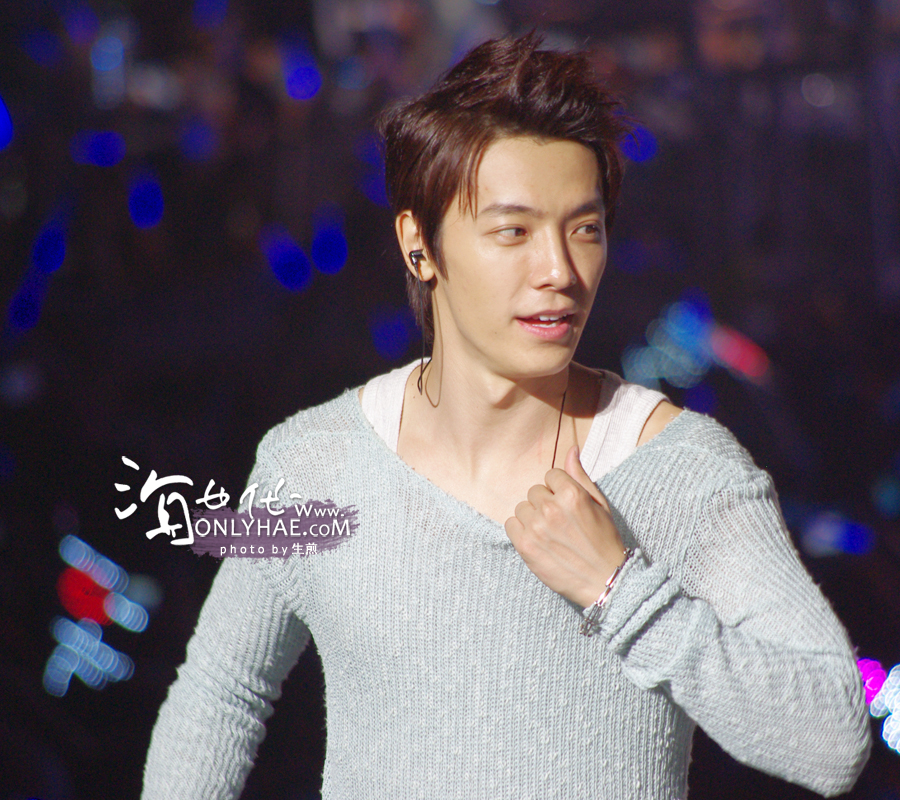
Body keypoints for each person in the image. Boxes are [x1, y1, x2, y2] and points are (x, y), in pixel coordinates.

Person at [141, 33, 871, 799]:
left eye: (584, 228)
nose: (559, 270)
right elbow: (220, 695)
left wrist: (621, 591)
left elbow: (833, 742)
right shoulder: (313, 464)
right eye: (513, 231)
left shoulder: (681, 470)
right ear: (420, 246)